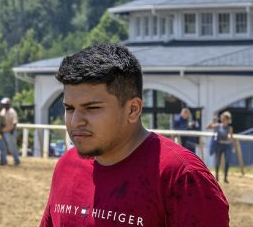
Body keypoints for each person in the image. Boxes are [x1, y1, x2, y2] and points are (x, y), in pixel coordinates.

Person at [40, 43, 229, 227]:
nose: (75, 121)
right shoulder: (66, 165)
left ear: (133, 109)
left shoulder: (182, 177)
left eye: (92, 108)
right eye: (69, 108)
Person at [206, 111, 234, 183]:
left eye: (226, 119)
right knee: (217, 161)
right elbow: (207, 127)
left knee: (227, 161)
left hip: (227, 145)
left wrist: (232, 147)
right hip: (218, 145)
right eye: (224, 118)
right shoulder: (218, 125)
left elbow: (231, 138)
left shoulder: (230, 128)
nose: (225, 120)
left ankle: (225, 177)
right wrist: (212, 120)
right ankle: (217, 177)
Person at [0, 97, 21, 166]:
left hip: (10, 132)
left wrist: (12, 130)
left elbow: (15, 122)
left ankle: (16, 160)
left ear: (8, 104)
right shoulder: (3, 111)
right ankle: (3, 160)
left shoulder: (12, 111)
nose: (3, 105)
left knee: (12, 147)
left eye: (5, 104)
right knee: (3, 147)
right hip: (3, 131)